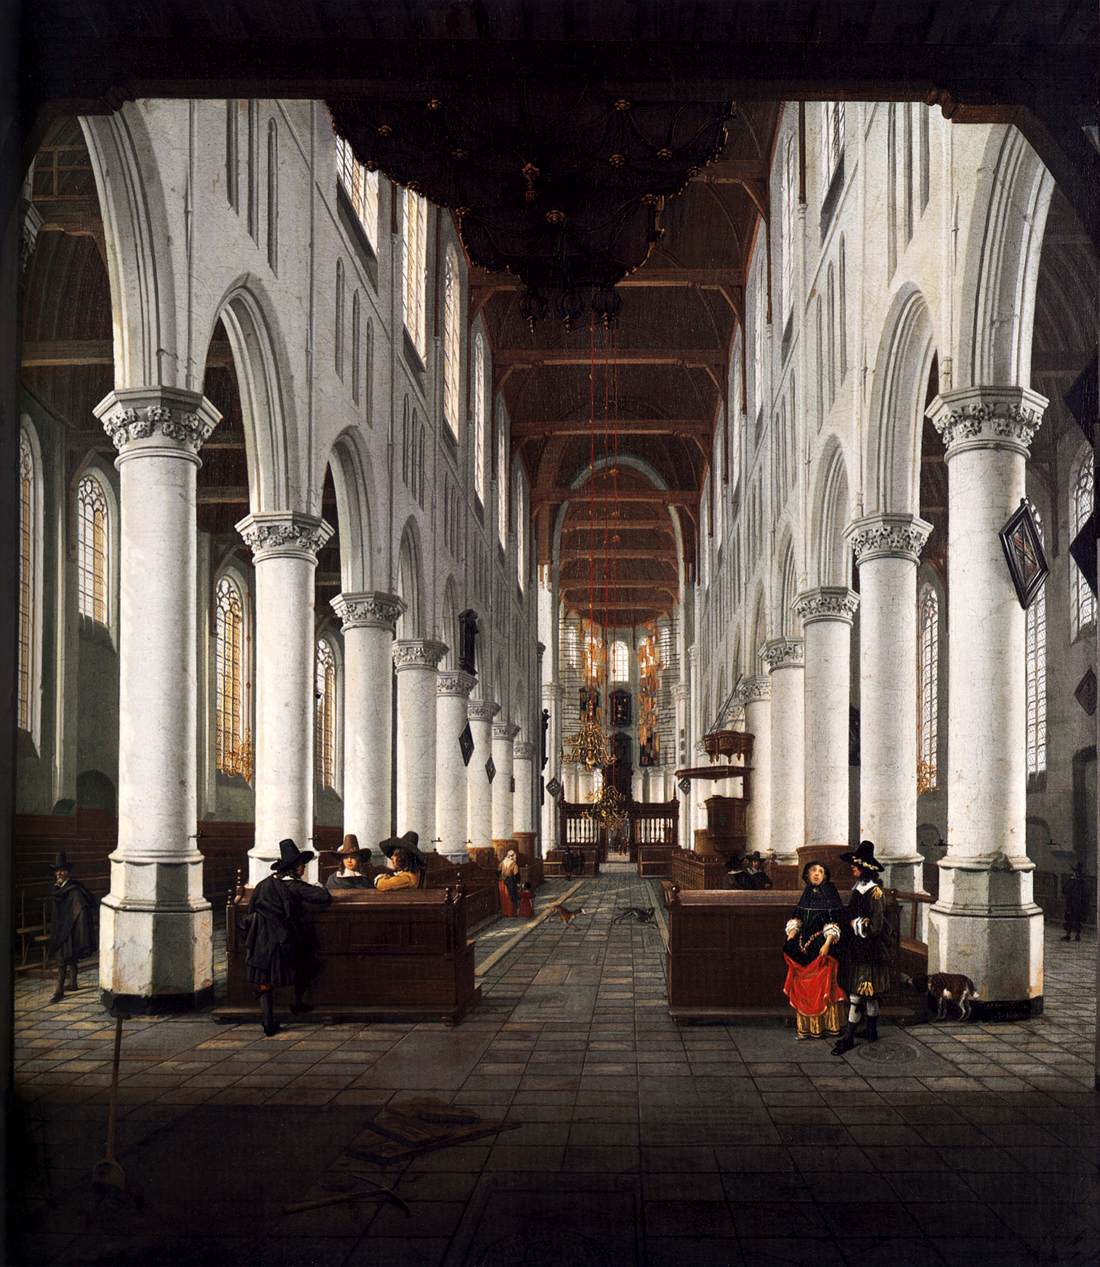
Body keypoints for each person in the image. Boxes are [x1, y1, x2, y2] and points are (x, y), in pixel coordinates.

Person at [244, 838, 332, 1036]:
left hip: (260, 941)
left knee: (264, 980)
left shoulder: (263, 884)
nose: (303, 868)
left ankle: (268, 1022)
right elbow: (323, 897)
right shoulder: (294, 886)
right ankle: (297, 1003)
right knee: (305, 962)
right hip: (282, 942)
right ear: (293, 868)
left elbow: (250, 911)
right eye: (301, 865)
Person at [832, 840, 893, 1056]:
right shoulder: (859, 887)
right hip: (858, 947)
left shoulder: (875, 893)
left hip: (870, 950)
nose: (853, 868)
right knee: (866, 995)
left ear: (865, 868)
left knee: (861, 995)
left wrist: (854, 923)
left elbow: (876, 926)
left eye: (856, 865)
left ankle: (849, 1037)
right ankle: (871, 1031)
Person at [782, 861, 846, 1040]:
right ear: (807, 875)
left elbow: (834, 922)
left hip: (824, 944)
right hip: (804, 943)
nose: (817, 874)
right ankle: (806, 1028)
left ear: (826, 875)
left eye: (821, 871)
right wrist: (792, 931)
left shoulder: (830, 893)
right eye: (813, 871)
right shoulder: (807, 892)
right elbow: (798, 917)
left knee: (821, 984)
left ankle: (826, 1027)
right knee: (802, 983)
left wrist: (827, 942)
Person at [46, 851, 98, 1004]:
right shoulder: (58, 887)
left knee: (64, 959)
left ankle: (59, 991)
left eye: (62, 870)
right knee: (70, 958)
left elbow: (81, 906)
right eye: (57, 870)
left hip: (71, 929)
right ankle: (73, 984)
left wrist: (77, 926)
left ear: (68, 872)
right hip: (60, 927)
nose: (60, 873)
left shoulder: (74, 888)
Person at [1062, 862, 1088, 942]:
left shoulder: (1075, 882)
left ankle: (1071, 935)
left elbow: (1065, 890)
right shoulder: (1082, 882)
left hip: (1074, 904)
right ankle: (1075, 935)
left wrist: (1071, 880)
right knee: (1074, 920)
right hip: (1076, 904)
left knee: (1073, 919)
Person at [499, 849, 520, 916]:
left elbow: (498, 871)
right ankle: (512, 913)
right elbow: (516, 874)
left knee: (505, 897)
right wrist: (518, 883)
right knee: (512, 896)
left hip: (502, 882)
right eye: (515, 856)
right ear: (512, 856)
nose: (515, 858)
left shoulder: (502, 862)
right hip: (510, 882)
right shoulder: (513, 864)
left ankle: (505, 912)